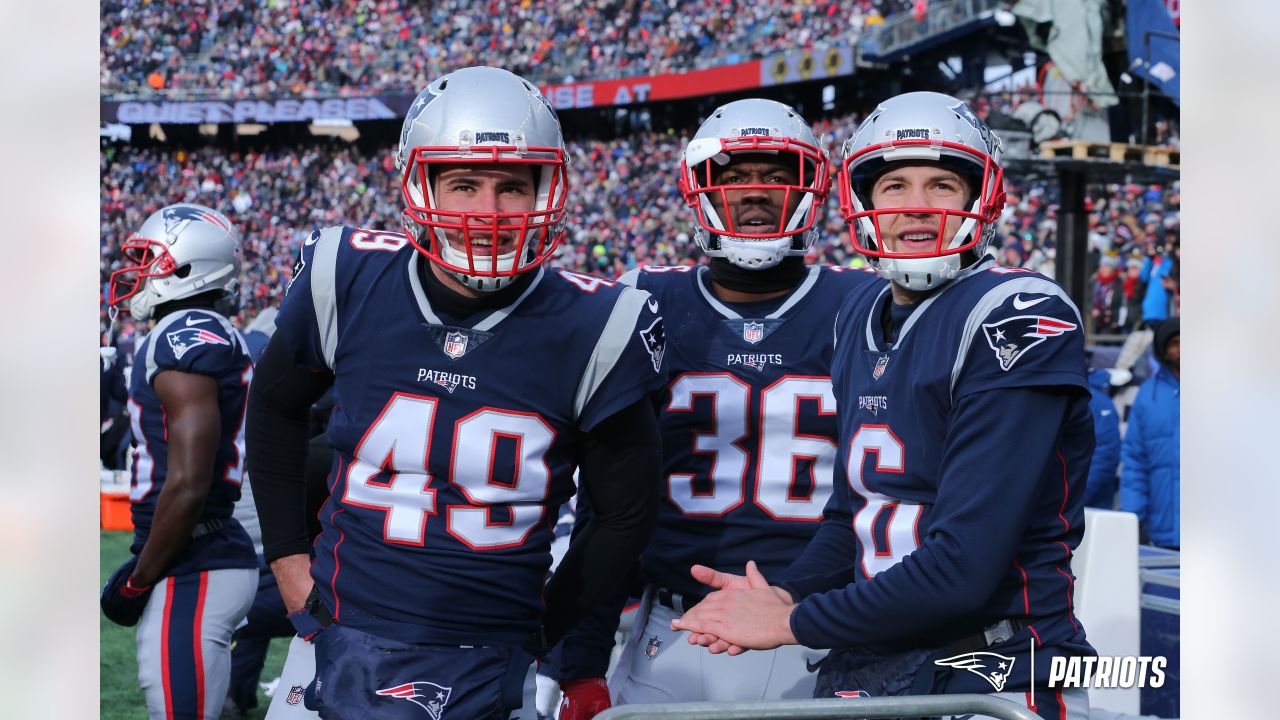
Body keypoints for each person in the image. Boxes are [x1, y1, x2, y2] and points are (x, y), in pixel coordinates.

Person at [245, 66, 666, 720]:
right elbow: (273, 406)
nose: (488, 212)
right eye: (464, 184)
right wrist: (285, 558)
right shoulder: (348, 275)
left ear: (546, 191)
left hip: (490, 645)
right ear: (419, 181)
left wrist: (546, 624)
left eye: (511, 187)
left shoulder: (596, 324)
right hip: (343, 619)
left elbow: (623, 512)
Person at [672, 91, 1096, 720]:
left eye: (942, 184)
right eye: (895, 185)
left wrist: (791, 621)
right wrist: (784, 590)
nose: (917, 207)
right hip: (877, 658)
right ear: (864, 203)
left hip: (996, 665)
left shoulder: (1018, 313)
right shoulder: (860, 314)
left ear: (981, 197)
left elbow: (963, 567)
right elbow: (853, 516)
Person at [550, 98, 882, 717]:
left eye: (776, 175)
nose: (755, 193)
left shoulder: (868, 300)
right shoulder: (640, 300)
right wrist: (580, 664)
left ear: (809, 187)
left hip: (823, 628)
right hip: (674, 630)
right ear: (699, 187)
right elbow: (607, 503)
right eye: (734, 175)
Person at [100, 203, 259, 720]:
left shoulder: (183, 332)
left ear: (186, 268)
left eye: (151, 260)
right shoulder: (196, 328)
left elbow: (189, 482)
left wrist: (139, 578)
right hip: (200, 552)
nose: (140, 273)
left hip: (198, 557)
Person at [1120, 317, 1180, 549]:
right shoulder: (1147, 396)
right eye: (1175, 343)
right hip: (1163, 527)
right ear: (1163, 351)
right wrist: (1132, 517)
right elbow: (1135, 460)